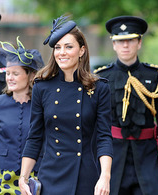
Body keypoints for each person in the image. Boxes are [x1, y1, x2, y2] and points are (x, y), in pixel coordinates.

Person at [19, 15, 113, 195]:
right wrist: (23, 177)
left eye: (69, 47)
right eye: (58, 47)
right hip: (50, 176)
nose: (62, 52)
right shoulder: (42, 87)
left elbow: (104, 137)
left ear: (81, 50)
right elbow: (34, 137)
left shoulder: (99, 88)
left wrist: (105, 176)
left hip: (85, 176)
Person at [95, 16, 158, 195]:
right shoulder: (101, 79)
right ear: (113, 44)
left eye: (130, 40)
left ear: (139, 42)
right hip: (112, 163)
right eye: (120, 41)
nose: (125, 45)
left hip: (148, 161)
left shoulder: (157, 76)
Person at [0, 36, 44, 194]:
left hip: (34, 176)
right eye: (8, 73)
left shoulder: (42, 105)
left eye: (15, 73)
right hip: (2, 175)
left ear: (30, 76)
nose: (10, 78)